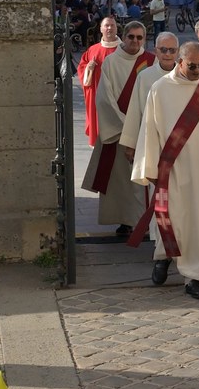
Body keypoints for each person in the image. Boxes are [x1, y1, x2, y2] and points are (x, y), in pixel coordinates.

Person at [129, 41, 199, 298]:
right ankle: (164, 257)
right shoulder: (160, 88)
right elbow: (150, 129)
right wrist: (148, 165)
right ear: (179, 62)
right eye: (192, 66)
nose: (198, 71)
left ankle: (194, 277)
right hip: (169, 168)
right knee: (169, 218)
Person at [82, 21, 155, 234]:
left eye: (139, 37)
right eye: (131, 36)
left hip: (146, 131)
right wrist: (127, 128)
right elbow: (105, 99)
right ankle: (126, 220)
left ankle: (146, 222)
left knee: (145, 180)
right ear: (124, 36)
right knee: (122, 182)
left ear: (144, 39)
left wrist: (144, 129)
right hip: (120, 132)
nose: (135, 41)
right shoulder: (111, 62)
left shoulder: (151, 62)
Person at [119, 32, 179, 157]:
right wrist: (131, 144)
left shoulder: (185, 76)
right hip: (150, 138)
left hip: (178, 141)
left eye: (172, 50)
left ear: (178, 52)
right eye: (163, 50)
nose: (168, 54)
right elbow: (135, 110)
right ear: (155, 51)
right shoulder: (144, 76)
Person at [76, 15, 121, 146]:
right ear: (101, 29)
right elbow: (82, 68)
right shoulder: (93, 50)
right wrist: (88, 69)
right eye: (106, 25)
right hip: (98, 94)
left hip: (119, 94)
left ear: (117, 28)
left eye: (112, 25)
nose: (109, 28)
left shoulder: (124, 49)